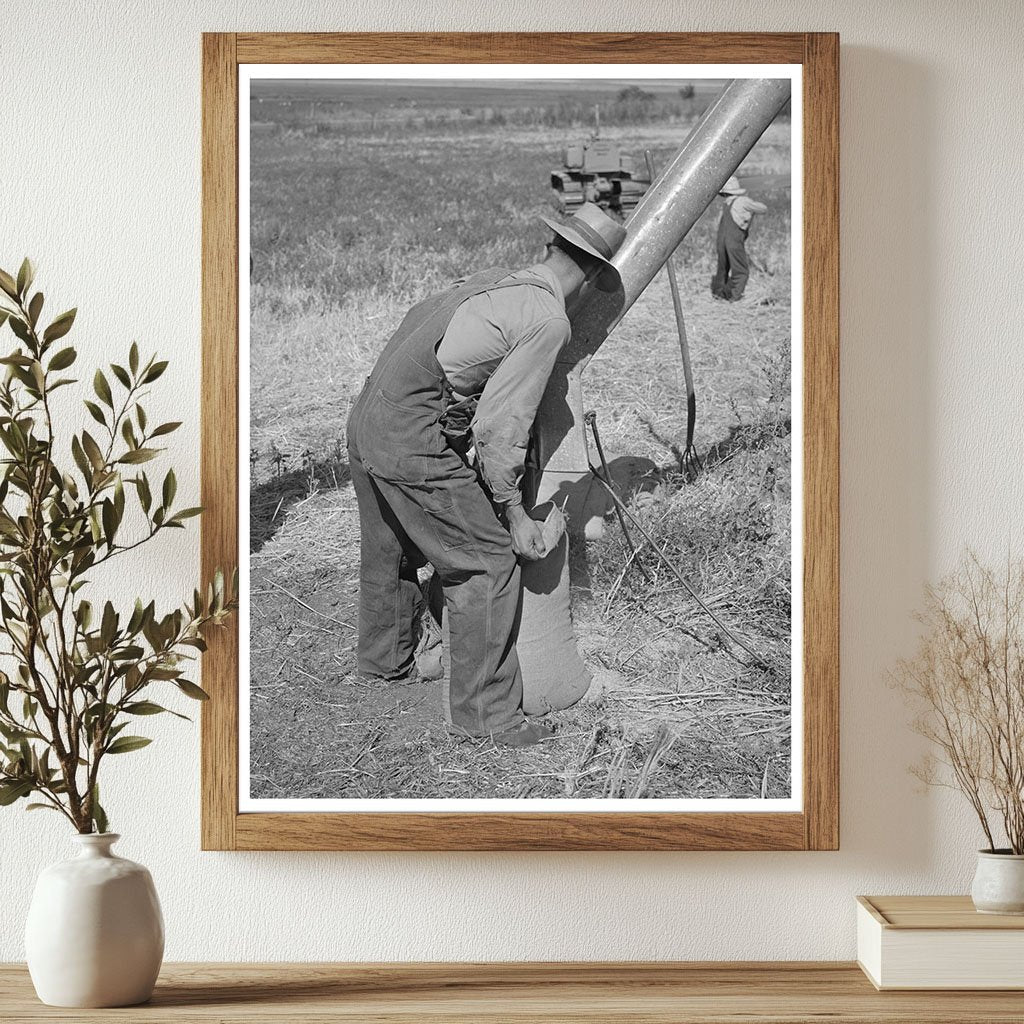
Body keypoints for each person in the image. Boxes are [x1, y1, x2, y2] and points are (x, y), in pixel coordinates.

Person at [345, 203, 626, 748]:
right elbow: (502, 424)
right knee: (486, 560)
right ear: (592, 275)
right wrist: (514, 513)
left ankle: (386, 661)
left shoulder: (490, 281)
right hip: (410, 432)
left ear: (550, 245)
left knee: (393, 544)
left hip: (369, 414)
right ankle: (486, 716)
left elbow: (430, 343)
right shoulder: (548, 319)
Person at [710, 176, 768, 301]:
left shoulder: (726, 203)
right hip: (734, 241)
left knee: (722, 269)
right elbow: (763, 209)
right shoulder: (742, 201)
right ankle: (733, 297)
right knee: (741, 271)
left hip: (720, 242)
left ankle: (719, 295)